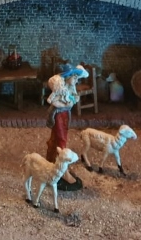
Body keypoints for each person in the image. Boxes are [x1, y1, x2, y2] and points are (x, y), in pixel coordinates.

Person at [45, 62, 89, 190]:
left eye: (76, 77)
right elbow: (54, 102)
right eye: (74, 77)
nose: (76, 80)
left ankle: (51, 161)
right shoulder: (60, 90)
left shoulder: (70, 88)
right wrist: (66, 103)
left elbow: (73, 98)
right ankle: (62, 169)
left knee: (58, 138)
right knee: (61, 140)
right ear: (67, 77)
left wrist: (72, 100)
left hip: (65, 114)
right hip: (60, 115)